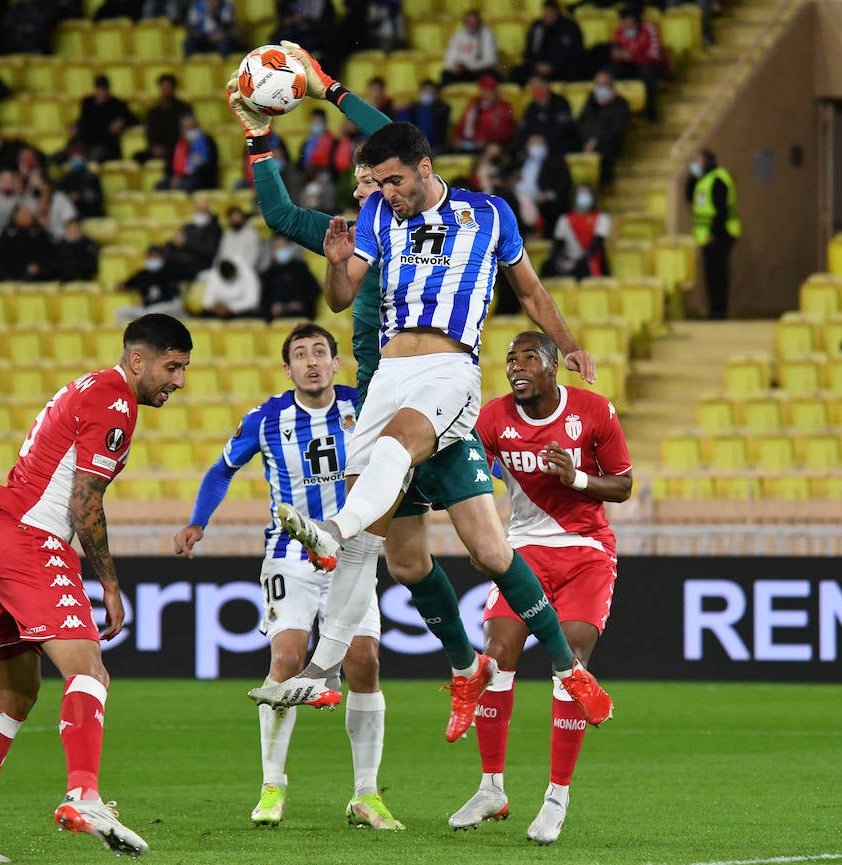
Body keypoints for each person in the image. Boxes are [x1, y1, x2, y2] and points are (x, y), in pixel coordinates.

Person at [230, 46, 612, 742]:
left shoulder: (456, 211)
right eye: (368, 181)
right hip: (385, 388)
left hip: (442, 387)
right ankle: (440, 668)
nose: (375, 188)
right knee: (401, 559)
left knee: (484, 550)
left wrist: (328, 91)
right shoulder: (363, 226)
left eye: (383, 179)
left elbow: (400, 140)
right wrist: (259, 140)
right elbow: (288, 221)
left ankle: (560, 666)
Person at [0, 313, 191, 865]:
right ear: (138, 359)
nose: (178, 381)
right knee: (89, 670)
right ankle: (85, 795)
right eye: (172, 367)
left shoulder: (86, 386)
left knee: (16, 694)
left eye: (185, 369)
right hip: (30, 539)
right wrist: (111, 586)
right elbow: (84, 502)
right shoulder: (115, 399)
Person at [173, 323, 404, 831]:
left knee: (365, 664)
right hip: (290, 556)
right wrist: (197, 522)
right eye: (300, 355)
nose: (312, 361)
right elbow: (220, 470)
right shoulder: (265, 419)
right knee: (287, 658)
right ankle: (272, 785)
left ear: (336, 362)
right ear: (288, 369)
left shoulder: (363, 405)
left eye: (320, 352)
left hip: (350, 554)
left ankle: (366, 794)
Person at [453, 331, 631, 844]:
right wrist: (480, 534)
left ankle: (556, 796)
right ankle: (491, 787)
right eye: (510, 360)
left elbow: (623, 485)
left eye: (528, 358)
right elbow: (472, 480)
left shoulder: (595, 411)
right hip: (522, 553)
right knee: (497, 650)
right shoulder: (492, 418)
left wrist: (576, 479)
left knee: (572, 657)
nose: (516, 367)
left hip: (586, 552)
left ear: (553, 366)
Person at [686, 149, 739, 320]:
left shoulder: (718, 179)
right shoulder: (703, 179)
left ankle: (720, 311)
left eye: (698, 161)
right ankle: (714, 310)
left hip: (720, 234)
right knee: (710, 274)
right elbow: (689, 197)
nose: (695, 164)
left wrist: (713, 233)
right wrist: (692, 176)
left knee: (719, 274)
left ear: (707, 161)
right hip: (706, 236)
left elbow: (721, 210)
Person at [609, 5, 667, 123]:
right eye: (624, 23)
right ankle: (618, 114)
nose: (626, 27)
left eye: (629, 23)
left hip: (651, 65)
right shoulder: (620, 30)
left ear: (637, 23)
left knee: (647, 72)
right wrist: (619, 56)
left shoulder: (650, 29)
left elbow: (654, 55)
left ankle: (650, 112)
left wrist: (634, 57)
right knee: (613, 71)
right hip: (629, 65)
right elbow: (615, 50)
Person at [542, 184, 609, 280]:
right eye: (581, 194)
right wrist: (560, 260)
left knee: (582, 268)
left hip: (589, 262)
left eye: (586, 194)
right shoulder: (564, 219)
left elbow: (596, 247)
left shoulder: (601, 218)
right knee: (547, 266)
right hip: (568, 260)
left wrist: (576, 263)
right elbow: (557, 246)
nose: (583, 197)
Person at [512, 132, 571, 237]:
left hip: (543, 199)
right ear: (527, 146)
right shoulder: (521, 162)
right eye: (533, 144)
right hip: (520, 198)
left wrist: (549, 195)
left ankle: (537, 231)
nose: (537, 147)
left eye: (540, 144)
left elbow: (564, 183)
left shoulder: (556, 162)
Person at [75, 75, 139, 164]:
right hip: (86, 144)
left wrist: (122, 122)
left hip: (106, 147)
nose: (102, 94)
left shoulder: (116, 104)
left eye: (104, 90)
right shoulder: (87, 104)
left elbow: (135, 119)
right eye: (100, 90)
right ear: (95, 90)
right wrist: (75, 126)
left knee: (90, 159)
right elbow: (82, 121)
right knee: (64, 156)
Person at [521, 0, 586, 83]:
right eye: (545, 11)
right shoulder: (537, 27)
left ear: (557, 12)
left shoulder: (569, 27)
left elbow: (575, 53)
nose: (547, 15)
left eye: (550, 12)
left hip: (561, 68)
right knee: (518, 72)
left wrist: (553, 67)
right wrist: (536, 65)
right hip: (538, 67)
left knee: (574, 71)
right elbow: (529, 52)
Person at [116, 245, 184, 322]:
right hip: (147, 308)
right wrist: (121, 285)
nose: (152, 259)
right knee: (121, 312)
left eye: (155, 257)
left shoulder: (169, 271)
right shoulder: (142, 274)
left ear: (163, 258)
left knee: (152, 313)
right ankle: (131, 333)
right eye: (150, 257)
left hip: (169, 305)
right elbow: (125, 285)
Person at [0, 203, 54, 282]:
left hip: (33, 275)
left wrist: (38, 266)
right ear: (15, 217)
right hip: (9, 275)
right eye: (23, 214)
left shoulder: (40, 234)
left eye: (29, 214)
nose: (27, 216)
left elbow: (47, 255)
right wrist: (5, 276)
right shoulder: (6, 234)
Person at [259, 237, 320, 320]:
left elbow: (315, 290)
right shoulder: (270, 272)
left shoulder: (301, 268)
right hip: (276, 319)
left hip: (300, 315)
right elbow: (264, 299)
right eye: (277, 247)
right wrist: (272, 307)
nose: (281, 250)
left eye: (283, 247)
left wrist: (301, 304)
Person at [453, 73, 515, 154]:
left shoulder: (504, 107)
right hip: (469, 143)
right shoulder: (474, 103)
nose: (486, 93)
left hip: (491, 144)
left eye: (489, 90)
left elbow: (505, 132)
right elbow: (463, 123)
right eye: (484, 90)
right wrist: (458, 137)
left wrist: (486, 139)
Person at [142, 73, 194, 165]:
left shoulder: (184, 109)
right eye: (163, 86)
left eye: (168, 86)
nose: (165, 89)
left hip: (176, 148)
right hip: (158, 149)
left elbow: (187, 133)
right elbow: (150, 133)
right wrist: (154, 148)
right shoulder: (153, 112)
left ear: (173, 88)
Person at [517, 75, 575, 156]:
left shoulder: (560, 103)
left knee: (537, 151)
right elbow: (522, 129)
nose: (535, 89)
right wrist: (529, 140)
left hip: (557, 147)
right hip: (533, 145)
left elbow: (564, 128)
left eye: (537, 86)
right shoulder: (531, 107)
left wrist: (544, 139)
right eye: (532, 86)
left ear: (546, 85)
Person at [159, 113, 217, 192]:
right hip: (178, 177)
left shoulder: (207, 142)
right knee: (160, 185)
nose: (192, 130)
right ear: (182, 130)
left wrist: (186, 175)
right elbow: (169, 165)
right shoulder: (177, 143)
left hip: (199, 179)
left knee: (187, 185)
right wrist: (175, 177)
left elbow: (210, 166)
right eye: (188, 128)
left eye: (194, 127)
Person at [441, 9, 498, 86]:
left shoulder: (487, 34)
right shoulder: (458, 36)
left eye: (475, 22)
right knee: (446, 74)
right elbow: (449, 59)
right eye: (469, 22)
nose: (472, 24)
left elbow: (490, 60)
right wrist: (455, 66)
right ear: (464, 23)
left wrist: (467, 65)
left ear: (479, 22)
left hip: (480, 70)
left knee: (488, 74)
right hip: (463, 72)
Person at [396, 79, 451, 154]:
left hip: (436, 144)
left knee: (425, 111)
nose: (427, 94)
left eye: (430, 91)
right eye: (425, 91)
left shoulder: (443, 107)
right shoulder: (415, 106)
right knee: (403, 113)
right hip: (416, 143)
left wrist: (430, 106)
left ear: (435, 94)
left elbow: (442, 115)